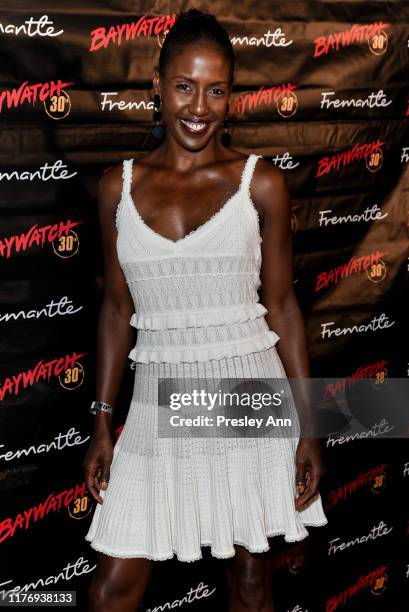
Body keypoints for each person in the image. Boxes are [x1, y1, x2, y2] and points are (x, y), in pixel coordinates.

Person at [83, 8, 328, 612]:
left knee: (250, 581)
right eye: (185, 86)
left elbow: (283, 307)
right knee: (113, 587)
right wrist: (101, 420)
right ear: (158, 87)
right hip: (158, 401)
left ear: (231, 96)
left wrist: (310, 425)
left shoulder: (259, 183)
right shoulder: (118, 186)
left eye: (216, 90)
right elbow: (117, 312)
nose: (199, 106)